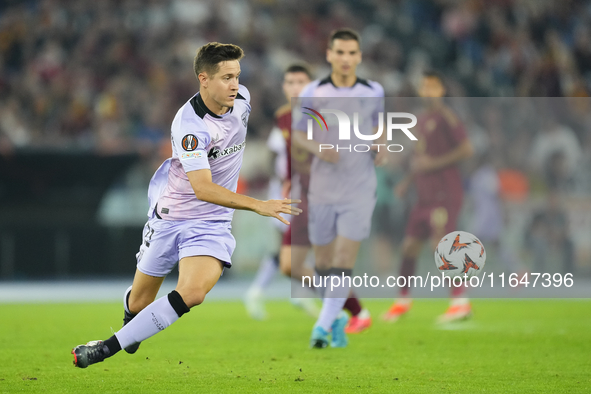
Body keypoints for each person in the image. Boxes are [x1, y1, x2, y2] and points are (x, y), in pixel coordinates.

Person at [71, 42, 301, 368]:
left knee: (192, 293)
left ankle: (105, 348)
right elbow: (203, 188)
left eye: (236, 76)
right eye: (225, 78)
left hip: (211, 222)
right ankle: (132, 318)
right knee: (139, 302)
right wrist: (258, 204)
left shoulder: (244, 100)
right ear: (203, 79)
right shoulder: (189, 126)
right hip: (171, 216)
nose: (235, 84)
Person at [293, 28, 386, 348]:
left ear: (359, 56)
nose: (346, 59)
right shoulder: (313, 92)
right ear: (329, 54)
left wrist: (382, 146)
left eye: (352, 53)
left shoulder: (373, 91)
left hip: (359, 188)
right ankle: (338, 316)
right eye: (340, 52)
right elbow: (300, 133)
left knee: (343, 260)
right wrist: (318, 149)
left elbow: (379, 126)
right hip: (323, 188)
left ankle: (320, 327)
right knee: (323, 265)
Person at [383, 71, 474, 324]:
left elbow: (466, 149)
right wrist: (406, 182)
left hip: (445, 193)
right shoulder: (421, 120)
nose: (428, 91)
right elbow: (420, 158)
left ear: (442, 90)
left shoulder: (448, 117)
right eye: (424, 86)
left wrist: (435, 163)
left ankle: (460, 302)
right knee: (409, 247)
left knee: (441, 244)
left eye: (433, 86)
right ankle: (402, 302)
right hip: (423, 196)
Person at [244, 64, 318, 319]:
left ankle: (296, 293)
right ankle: (261, 291)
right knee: (288, 249)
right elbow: (275, 155)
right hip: (289, 190)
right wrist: (281, 181)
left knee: (291, 249)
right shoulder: (284, 119)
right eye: (291, 82)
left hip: (302, 189)